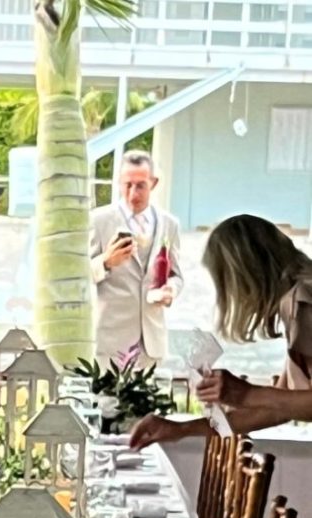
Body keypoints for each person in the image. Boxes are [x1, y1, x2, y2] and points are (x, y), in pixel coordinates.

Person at [130, 214, 312, 449]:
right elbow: (280, 406)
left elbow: (285, 403)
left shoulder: (303, 302)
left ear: (246, 272)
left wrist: (246, 394)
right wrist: (182, 429)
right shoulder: (296, 300)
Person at [89, 149, 184, 368]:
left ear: (154, 183)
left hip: (152, 343)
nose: (133, 193)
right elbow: (79, 275)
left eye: (140, 185)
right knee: (108, 403)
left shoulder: (169, 225)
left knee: (148, 403)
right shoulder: (99, 221)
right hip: (111, 342)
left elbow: (177, 275)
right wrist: (105, 262)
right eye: (127, 185)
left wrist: (171, 290)